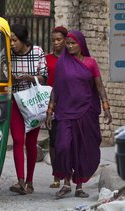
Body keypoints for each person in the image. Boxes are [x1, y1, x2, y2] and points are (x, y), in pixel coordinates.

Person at [45, 30, 112, 199]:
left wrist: (106, 107)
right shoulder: (62, 63)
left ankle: (79, 186)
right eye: (67, 43)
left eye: (72, 43)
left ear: (81, 44)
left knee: (81, 148)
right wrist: (49, 111)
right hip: (65, 112)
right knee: (63, 146)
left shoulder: (91, 63)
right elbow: (56, 89)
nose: (69, 46)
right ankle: (66, 183)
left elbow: (99, 86)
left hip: (86, 111)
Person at [9, 24, 48, 195]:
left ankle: (30, 181)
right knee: (18, 140)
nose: (11, 44)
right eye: (10, 40)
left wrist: (29, 78)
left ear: (23, 40)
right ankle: (20, 181)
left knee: (31, 143)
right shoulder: (8, 54)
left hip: (32, 102)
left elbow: (44, 76)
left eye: (14, 40)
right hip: (15, 101)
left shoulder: (37, 52)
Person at [45, 26, 68, 189]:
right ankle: (56, 175)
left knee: (66, 142)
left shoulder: (71, 59)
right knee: (53, 141)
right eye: (53, 40)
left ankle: (67, 174)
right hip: (50, 104)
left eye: (59, 39)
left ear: (66, 40)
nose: (56, 43)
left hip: (68, 103)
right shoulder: (47, 59)